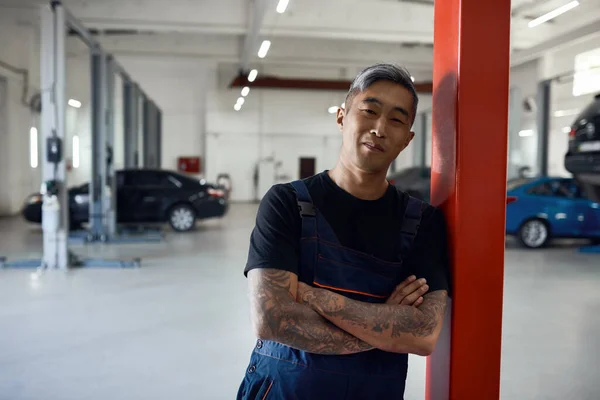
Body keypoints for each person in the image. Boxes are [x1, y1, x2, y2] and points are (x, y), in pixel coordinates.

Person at [237, 63, 450, 400]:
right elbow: (272, 320)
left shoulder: (423, 222)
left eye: (396, 119)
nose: (380, 128)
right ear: (341, 117)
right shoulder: (286, 203)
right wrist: (386, 326)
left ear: (407, 139)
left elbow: (422, 335)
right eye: (369, 111)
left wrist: (310, 295)